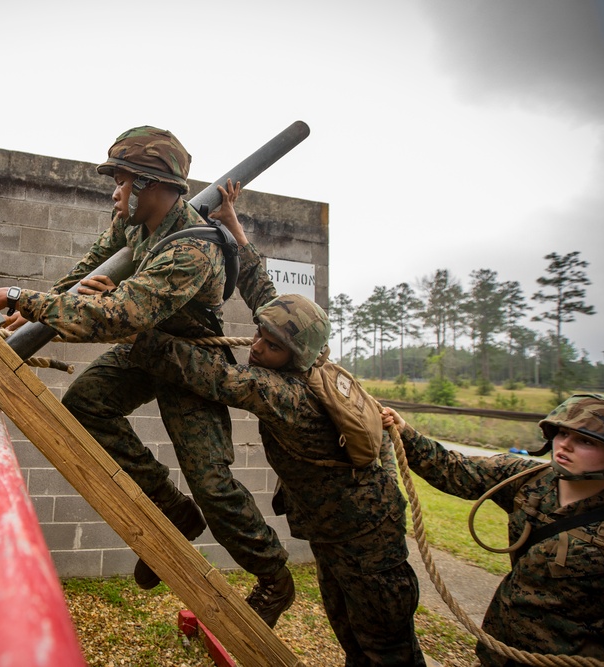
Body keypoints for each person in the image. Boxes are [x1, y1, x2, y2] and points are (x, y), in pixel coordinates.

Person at [0, 127, 294, 626]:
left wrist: (15, 296)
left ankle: (274, 576)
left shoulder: (193, 248)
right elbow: (83, 275)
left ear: (150, 185)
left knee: (212, 484)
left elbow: (118, 316)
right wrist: (32, 312)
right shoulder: (131, 224)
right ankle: (172, 511)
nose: (115, 191)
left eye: (122, 181)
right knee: (85, 405)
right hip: (145, 348)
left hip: (190, 363)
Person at [127, 179, 426, 665]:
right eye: (259, 335)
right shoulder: (307, 354)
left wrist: (133, 319)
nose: (256, 345)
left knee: (386, 647)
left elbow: (209, 374)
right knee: (351, 634)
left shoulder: (281, 391)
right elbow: (267, 298)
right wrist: (234, 228)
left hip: (365, 538)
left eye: (269, 344)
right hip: (339, 529)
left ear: (292, 358)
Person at [382, 394, 604, 667]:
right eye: (563, 433)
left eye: (586, 440)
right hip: (501, 653)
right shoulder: (528, 479)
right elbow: (453, 469)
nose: (565, 444)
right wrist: (404, 431)